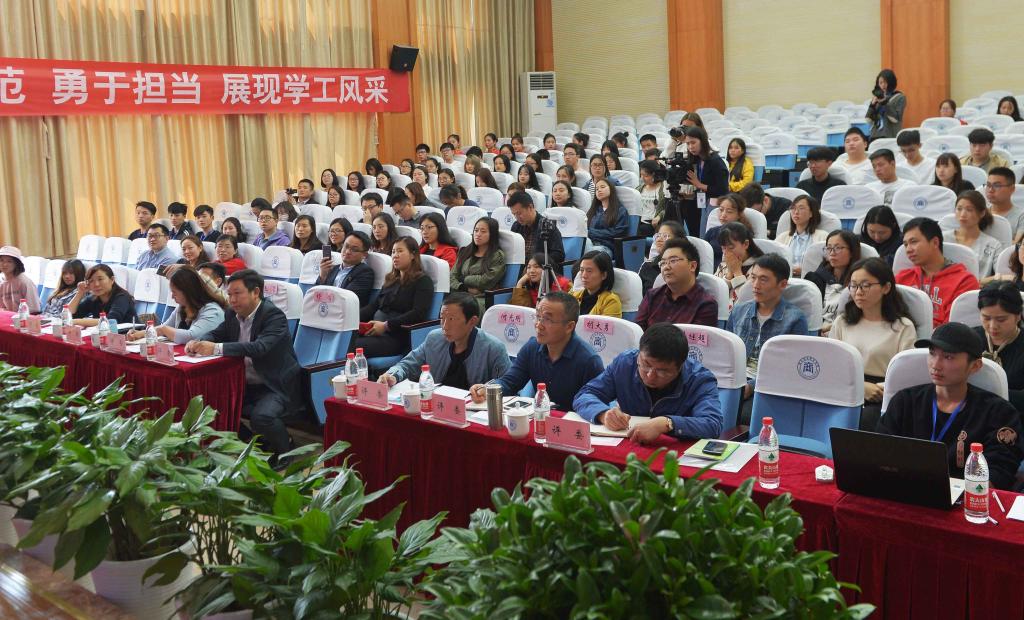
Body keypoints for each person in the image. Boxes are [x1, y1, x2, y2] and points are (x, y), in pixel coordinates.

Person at [877, 321, 1024, 490]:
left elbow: (1000, 469)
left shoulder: (998, 412)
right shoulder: (905, 401)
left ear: (975, 366)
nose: (936, 365)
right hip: (904, 489)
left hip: (966, 496)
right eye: (932, 354)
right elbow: (880, 451)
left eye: (948, 357)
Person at [186, 269, 302, 461]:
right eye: (229, 294)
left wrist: (216, 348)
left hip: (274, 384)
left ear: (255, 292)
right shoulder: (232, 314)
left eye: (237, 293)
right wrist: (199, 342)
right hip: (245, 382)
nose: (232, 300)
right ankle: (255, 442)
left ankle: (286, 450)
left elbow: (259, 347)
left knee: (262, 417)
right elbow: (216, 333)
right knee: (214, 406)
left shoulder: (273, 316)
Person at [574, 323, 723, 443]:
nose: (650, 376)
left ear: (680, 366)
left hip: (673, 454)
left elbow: (712, 424)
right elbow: (585, 394)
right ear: (639, 353)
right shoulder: (625, 364)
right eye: (645, 364)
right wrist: (603, 413)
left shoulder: (700, 380)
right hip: (629, 444)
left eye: (662, 371)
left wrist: (667, 423)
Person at [469, 291, 604, 411]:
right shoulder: (532, 348)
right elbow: (510, 382)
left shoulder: (589, 361)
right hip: (539, 418)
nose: (539, 325)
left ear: (569, 327)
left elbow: (595, 404)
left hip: (571, 425)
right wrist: (488, 389)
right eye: (538, 317)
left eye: (547, 319)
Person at [829, 257, 917, 430]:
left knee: (866, 420)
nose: (858, 292)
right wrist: (860, 387)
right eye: (853, 286)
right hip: (845, 388)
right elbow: (831, 364)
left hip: (882, 393)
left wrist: (875, 389)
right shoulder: (842, 322)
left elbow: (906, 375)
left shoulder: (902, 327)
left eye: (865, 285)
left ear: (886, 288)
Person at [726, 254, 809, 422]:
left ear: (782, 284)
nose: (755, 285)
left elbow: (790, 367)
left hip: (769, 386)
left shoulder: (795, 319)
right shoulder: (739, 311)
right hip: (734, 380)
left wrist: (751, 386)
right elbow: (727, 352)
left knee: (744, 417)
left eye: (763, 279)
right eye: (753, 277)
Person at [379, 292, 510, 391]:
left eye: (452, 319)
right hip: (438, 407)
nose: (445, 326)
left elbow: (508, 384)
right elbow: (407, 365)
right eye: (442, 318)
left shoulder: (493, 348)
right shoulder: (434, 339)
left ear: (472, 321)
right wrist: (392, 375)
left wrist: (485, 390)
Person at [355, 237, 433, 357]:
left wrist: (386, 326)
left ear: (413, 255)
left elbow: (418, 313)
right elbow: (374, 306)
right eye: (393, 252)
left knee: (351, 346)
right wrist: (352, 320)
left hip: (396, 337)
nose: (395, 255)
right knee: (345, 339)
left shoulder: (423, 281)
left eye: (400, 251)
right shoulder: (391, 279)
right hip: (374, 331)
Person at [895, 217, 980, 327]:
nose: (908, 249)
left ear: (935, 242)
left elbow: (953, 328)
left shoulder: (964, 282)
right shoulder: (902, 278)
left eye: (913, 242)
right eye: (906, 244)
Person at [636, 237, 717, 329]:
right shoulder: (652, 296)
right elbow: (638, 332)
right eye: (663, 263)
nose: (666, 267)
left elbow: (695, 338)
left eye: (673, 261)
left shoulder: (706, 305)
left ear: (692, 266)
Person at [129, 266, 225, 344]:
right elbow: (164, 327)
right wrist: (141, 333)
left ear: (188, 292)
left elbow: (192, 336)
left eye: (174, 293)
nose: (172, 297)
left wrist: (162, 330)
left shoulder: (212, 310)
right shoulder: (182, 307)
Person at [975, 283, 1024, 411]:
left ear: (1018, 316)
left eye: (1001, 320)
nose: (993, 326)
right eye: (986, 318)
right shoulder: (967, 338)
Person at [677, 126, 729, 237]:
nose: (690, 147)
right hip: (704, 201)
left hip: (716, 204)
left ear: (703, 141)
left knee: (710, 236)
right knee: (702, 236)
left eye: (693, 142)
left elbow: (723, 190)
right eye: (688, 144)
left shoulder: (715, 161)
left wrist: (699, 185)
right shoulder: (698, 159)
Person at [804, 229, 862, 329]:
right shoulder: (815, 278)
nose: (832, 253)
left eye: (838, 248)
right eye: (829, 248)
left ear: (852, 251)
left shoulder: (860, 282)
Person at [450, 217, 506, 312]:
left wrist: (463, 279)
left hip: (481, 298)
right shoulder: (465, 251)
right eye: (476, 230)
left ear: (492, 235)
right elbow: (452, 276)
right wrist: (464, 288)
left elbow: (486, 281)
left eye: (483, 231)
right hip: (460, 293)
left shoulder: (497, 256)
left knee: (463, 308)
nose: (478, 234)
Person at [944, 190, 1003, 277]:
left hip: (979, 286)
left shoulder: (993, 245)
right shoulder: (942, 238)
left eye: (969, 210)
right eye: (959, 209)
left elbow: (1000, 276)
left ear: (982, 213)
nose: (963, 214)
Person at [775, 194, 829, 276]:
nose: (796, 212)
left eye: (801, 208)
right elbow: (773, 261)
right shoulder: (782, 237)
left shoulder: (823, 237)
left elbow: (828, 264)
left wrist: (805, 270)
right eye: (793, 208)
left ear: (811, 213)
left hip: (812, 279)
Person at [317, 231, 375, 306]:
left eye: (354, 250)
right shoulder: (333, 268)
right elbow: (316, 293)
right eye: (346, 246)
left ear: (364, 255)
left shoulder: (365, 272)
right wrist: (323, 276)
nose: (347, 252)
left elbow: (346, 299)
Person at [509, 190, 564, 266]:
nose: (517, 217)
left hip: (538, 269)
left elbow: (559, 255)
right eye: (514, 214)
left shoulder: (547, 226)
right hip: (520, 268)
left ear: (530, 207)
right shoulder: (516, 226)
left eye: (519, 213)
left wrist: (536, 262)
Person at [68, 264, 136, 326]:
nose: (96, 284)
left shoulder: (122, 297)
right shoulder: (93, 298)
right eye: (91, 281)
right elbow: (69, 315)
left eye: (100, 279)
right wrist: (80, 292)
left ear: (112, 280)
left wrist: (75, 321)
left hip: (131, 334)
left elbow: (111, 321)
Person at [716, 222, 764, 307]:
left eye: (731, 248)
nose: (726, 253)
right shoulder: (723, 265)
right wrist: (729, 274)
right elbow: (715, 294)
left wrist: (737, 272)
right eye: (723, 248)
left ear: (746, 244)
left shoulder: (760, 268)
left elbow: (749, 301)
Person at [639, 221, 687, 295]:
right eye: (658, 236)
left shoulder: (685, 267)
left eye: (665, 236)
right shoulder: (647, 266)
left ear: (678, 240)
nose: (659, 240)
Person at [570, 250, 622, 317]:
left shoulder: (611, 301)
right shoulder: (574, 296)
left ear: (603, 275)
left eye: (589, 271)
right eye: (582, 270)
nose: (584, 275)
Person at [586, 179, 629, 255]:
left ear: (611, 189)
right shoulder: (593, 210)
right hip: (591, 243)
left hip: (607, 247)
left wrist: (591, 232)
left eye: (602, 187)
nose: (599, 190)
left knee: (590, 252)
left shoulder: (620, 210)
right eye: (597, 189)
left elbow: (618, 232)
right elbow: (585, 228)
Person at [985, 167, 1024, 242]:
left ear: (1012, 189)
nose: (990, 190)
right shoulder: (980, 213)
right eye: (988, 185)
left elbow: (1017, 245)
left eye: (997, 186)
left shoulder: (1021, 217)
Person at [867, 68, 905, 139]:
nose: (883, 85)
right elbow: (868, 120)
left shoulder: (899, 97)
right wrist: (872, 105)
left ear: (891, 82)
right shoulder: (877, 97)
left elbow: (895, 119)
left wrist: (884, 103)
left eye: (885, 82)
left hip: (890, 136)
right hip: (874, 136)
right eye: (880, 83)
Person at [0, 246, 40, 312]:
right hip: (6, 316)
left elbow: (34, 309)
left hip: (23, 316)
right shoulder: (1, 281)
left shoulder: (24, 282)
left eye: (9, 261)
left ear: (16, 264)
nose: (4, 264)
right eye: (1, 260)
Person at [636, 160, 665, 235]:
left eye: (646, 176)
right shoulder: (639, 189)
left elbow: (668, 208)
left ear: (655, 175)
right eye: (641, 175)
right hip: (639, 222)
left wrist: (659, 216)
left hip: (654, 224)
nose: (642, 178)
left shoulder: (664, 189)